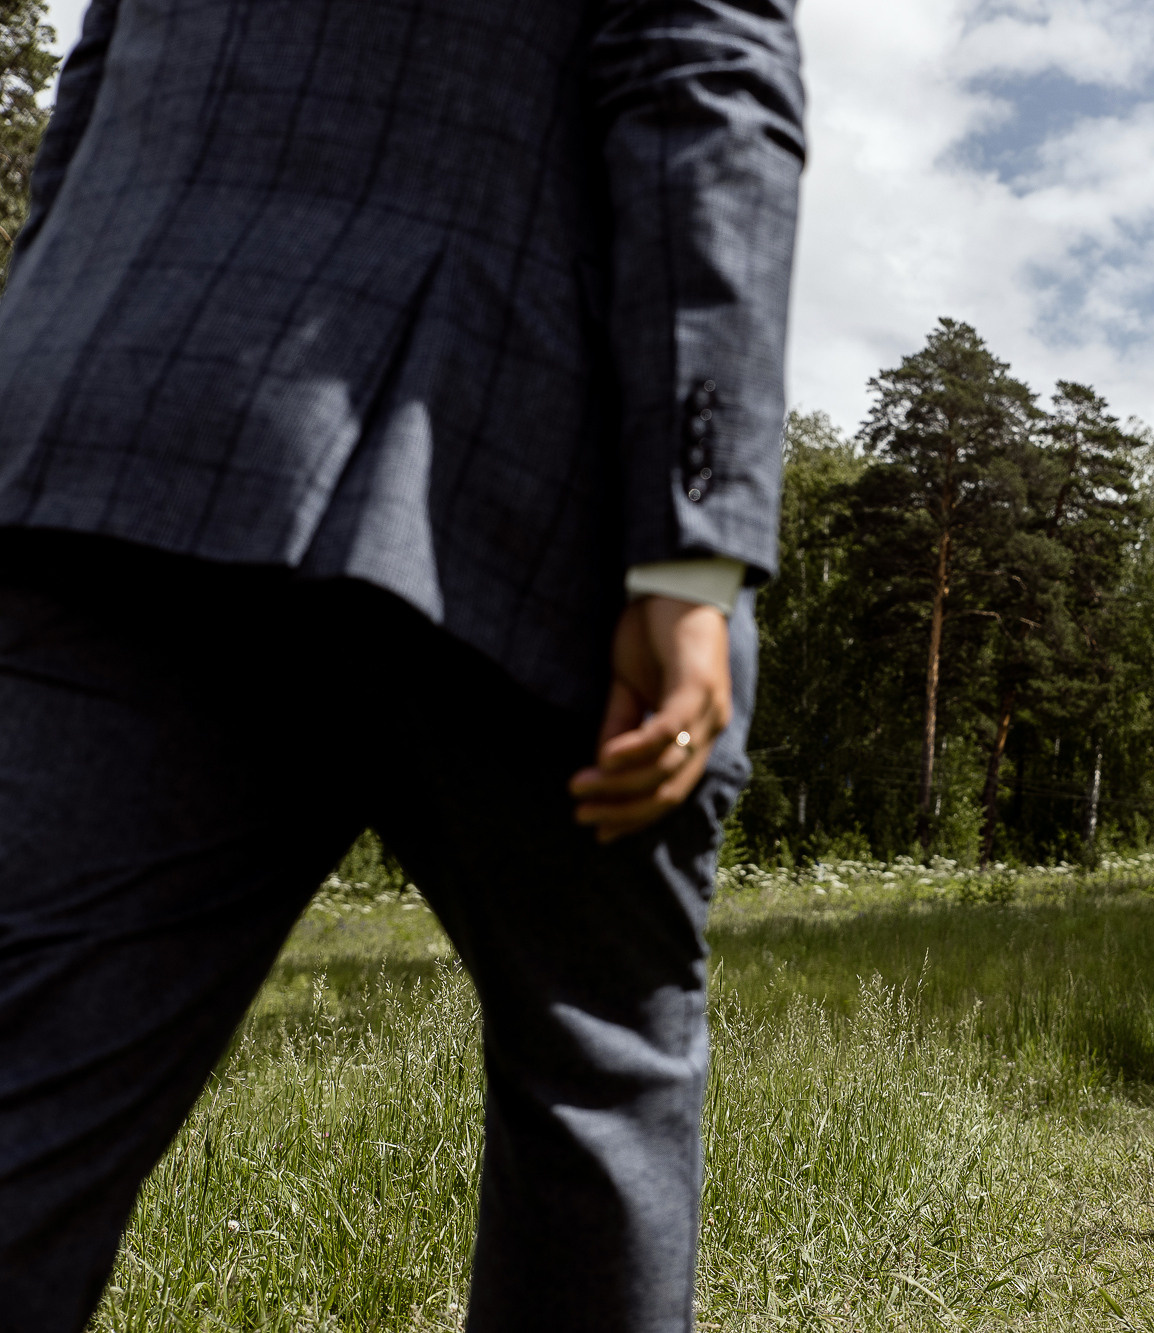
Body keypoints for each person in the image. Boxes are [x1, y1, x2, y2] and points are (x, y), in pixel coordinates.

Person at [0, 1, 803, 1328]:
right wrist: (691, 555)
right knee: (597, 1085)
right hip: (524, 488)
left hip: (126, 447)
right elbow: (703, 66)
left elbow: (92, 84)